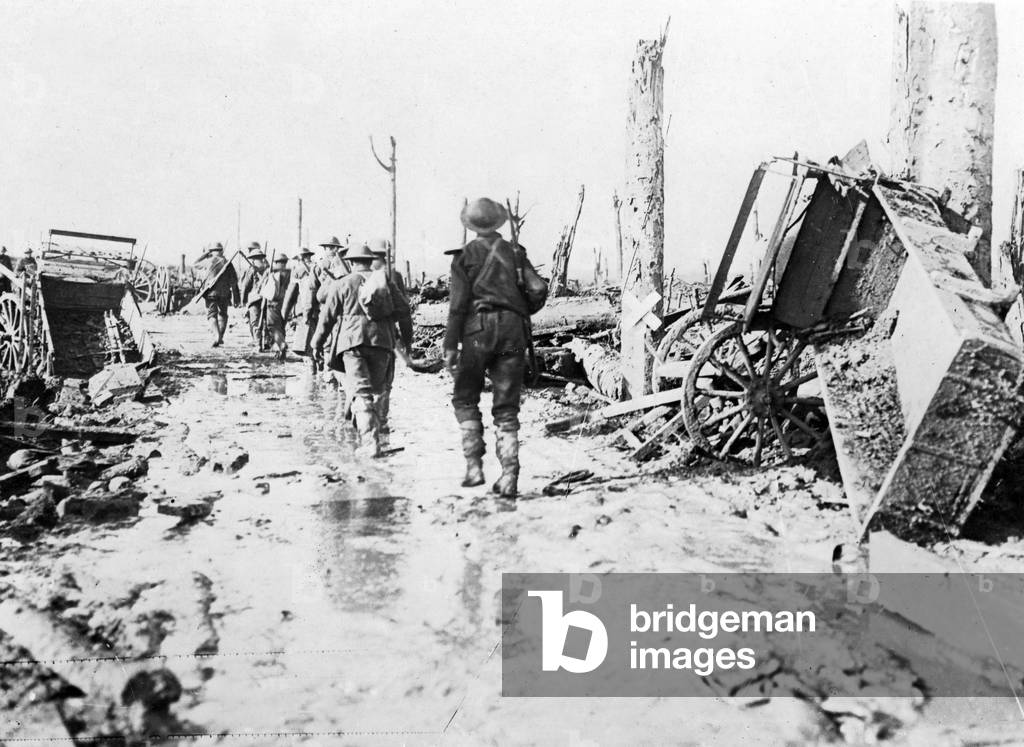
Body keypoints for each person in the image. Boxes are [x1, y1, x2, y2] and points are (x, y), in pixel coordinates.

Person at [444, 197, 539, 498]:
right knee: (507, 407)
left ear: (471, 226)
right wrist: (522, 309)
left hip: (476, 331)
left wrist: (450, 345)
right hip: (513, 330)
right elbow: (538, 288)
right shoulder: (515, 252)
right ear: (498, 223)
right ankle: (509, 476)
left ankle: (474, 468)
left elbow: (458, 306)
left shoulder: (464, 256)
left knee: (465, 397)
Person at [311, 242, 407, 457]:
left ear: (351, 262)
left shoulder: (342, 283)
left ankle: (370, 443)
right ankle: (379, 432)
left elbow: (326, 320)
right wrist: (407, 342)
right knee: (378, 389)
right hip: (382, 343)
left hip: (352, 344)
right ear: (370, 260)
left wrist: (316, 344)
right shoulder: (385, 282)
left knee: (361, 392)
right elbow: (404, 311)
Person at [367, 238, 414, 443]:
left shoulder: (352, 274)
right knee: (384, 383)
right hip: (385, 337)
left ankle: (363, 424)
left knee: (358, 383)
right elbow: (404, 312)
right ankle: (381, 423)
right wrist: (407, 341)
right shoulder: (392, 275)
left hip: (353, 340)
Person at [283, 247, 322, 362]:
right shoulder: (319, 267)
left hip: (304, 310)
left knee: (307, 346)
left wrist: (284, 314)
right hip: (320, 310)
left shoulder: (297, 271)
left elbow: (291, 294)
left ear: (299, 259)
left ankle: (312, 375)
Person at [198, 242, 239, 347]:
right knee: (223, 314)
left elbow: (195, 264)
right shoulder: (228, 262)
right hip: (225, 293)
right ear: (222, 251)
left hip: (211, 293)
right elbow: (234, 281)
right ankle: (220, 336)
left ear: (211, 251)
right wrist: (236, 297)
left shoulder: (207, 261)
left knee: (212, 314)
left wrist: (205, 254)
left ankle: (216, 336)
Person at [239, 243, 269, 350]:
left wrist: (243, 302)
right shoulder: (269, 268)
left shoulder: (251, 269)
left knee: (255, 321)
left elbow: (245, 286)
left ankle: (257, 342)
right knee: (266, 320)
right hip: (268, 298)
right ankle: (266, 342)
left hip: (255, 299)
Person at [262, 255, 292, 360]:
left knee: (273, 327)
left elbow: (264, 287)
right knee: (281, 327)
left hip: (273, 303)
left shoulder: (272, 272)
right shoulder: (289, 273)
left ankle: (281, 344)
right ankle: (280, 351)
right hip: (286, 302)